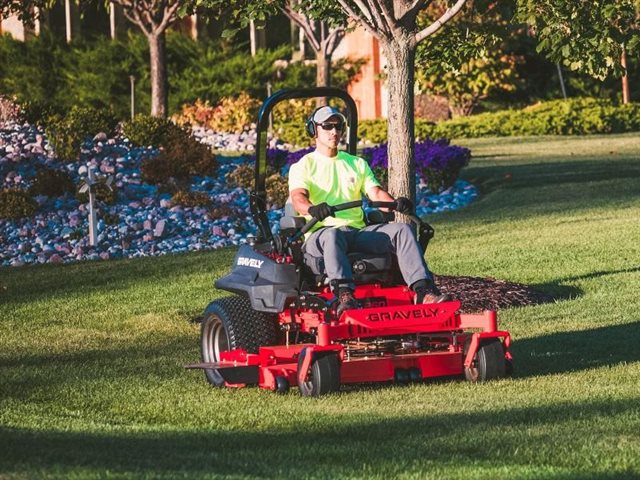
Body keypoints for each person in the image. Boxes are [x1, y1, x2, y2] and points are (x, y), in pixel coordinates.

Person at [288, 105, 450, 315]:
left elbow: (376, 193)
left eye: (338, 126)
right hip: (320, 235)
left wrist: (395, 203)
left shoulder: (356, 164)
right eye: (327, 126)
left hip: (356, 231)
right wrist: (313, 208)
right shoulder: (303, 166)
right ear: (314, 130)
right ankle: (344, 295)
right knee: (333, 234)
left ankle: (423, 291)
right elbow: (298, 198)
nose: (334, 131)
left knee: (402, 230)